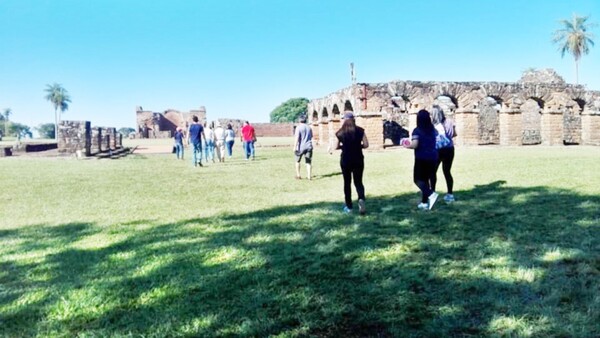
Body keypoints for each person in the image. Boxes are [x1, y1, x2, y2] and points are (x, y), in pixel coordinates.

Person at [331, 112, 369, 215]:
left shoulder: (340, 132)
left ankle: (349, 206)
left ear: (344, 120)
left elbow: (335, 147)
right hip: (358, 159)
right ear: (354, 119)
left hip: (346, 160)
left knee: (347, 183)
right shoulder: (360, 130)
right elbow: (366, 145)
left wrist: (343, 147)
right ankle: (361, 199)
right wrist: (358, 146)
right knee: (358, 182)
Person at [403, 109, 439, 210]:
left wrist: (406, 145)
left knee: (418, 180)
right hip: (433, 156)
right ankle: (424, 203)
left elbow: (415, 145)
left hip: (422, 157)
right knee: (426, 179)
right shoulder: (433, 130)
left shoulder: (417, 130)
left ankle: (431, 194)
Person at [431, 105, 457, 202]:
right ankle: (450, 194)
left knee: (432, 172)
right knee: (447, 171)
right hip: (449, 149)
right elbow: (454, 134)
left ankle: (432, 193)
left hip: (437, 150)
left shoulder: (432, 125)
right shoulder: (449, 122)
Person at [294, 115, 313, 180]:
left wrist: (294, 147)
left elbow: (297, 138)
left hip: (300, 147)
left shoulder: (298, 128)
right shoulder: (309, 127)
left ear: (299, 120)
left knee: (297, 161)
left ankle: (298, 175)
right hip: (309, 146)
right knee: (308, 162)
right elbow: (311, 136)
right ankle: (309, 176)